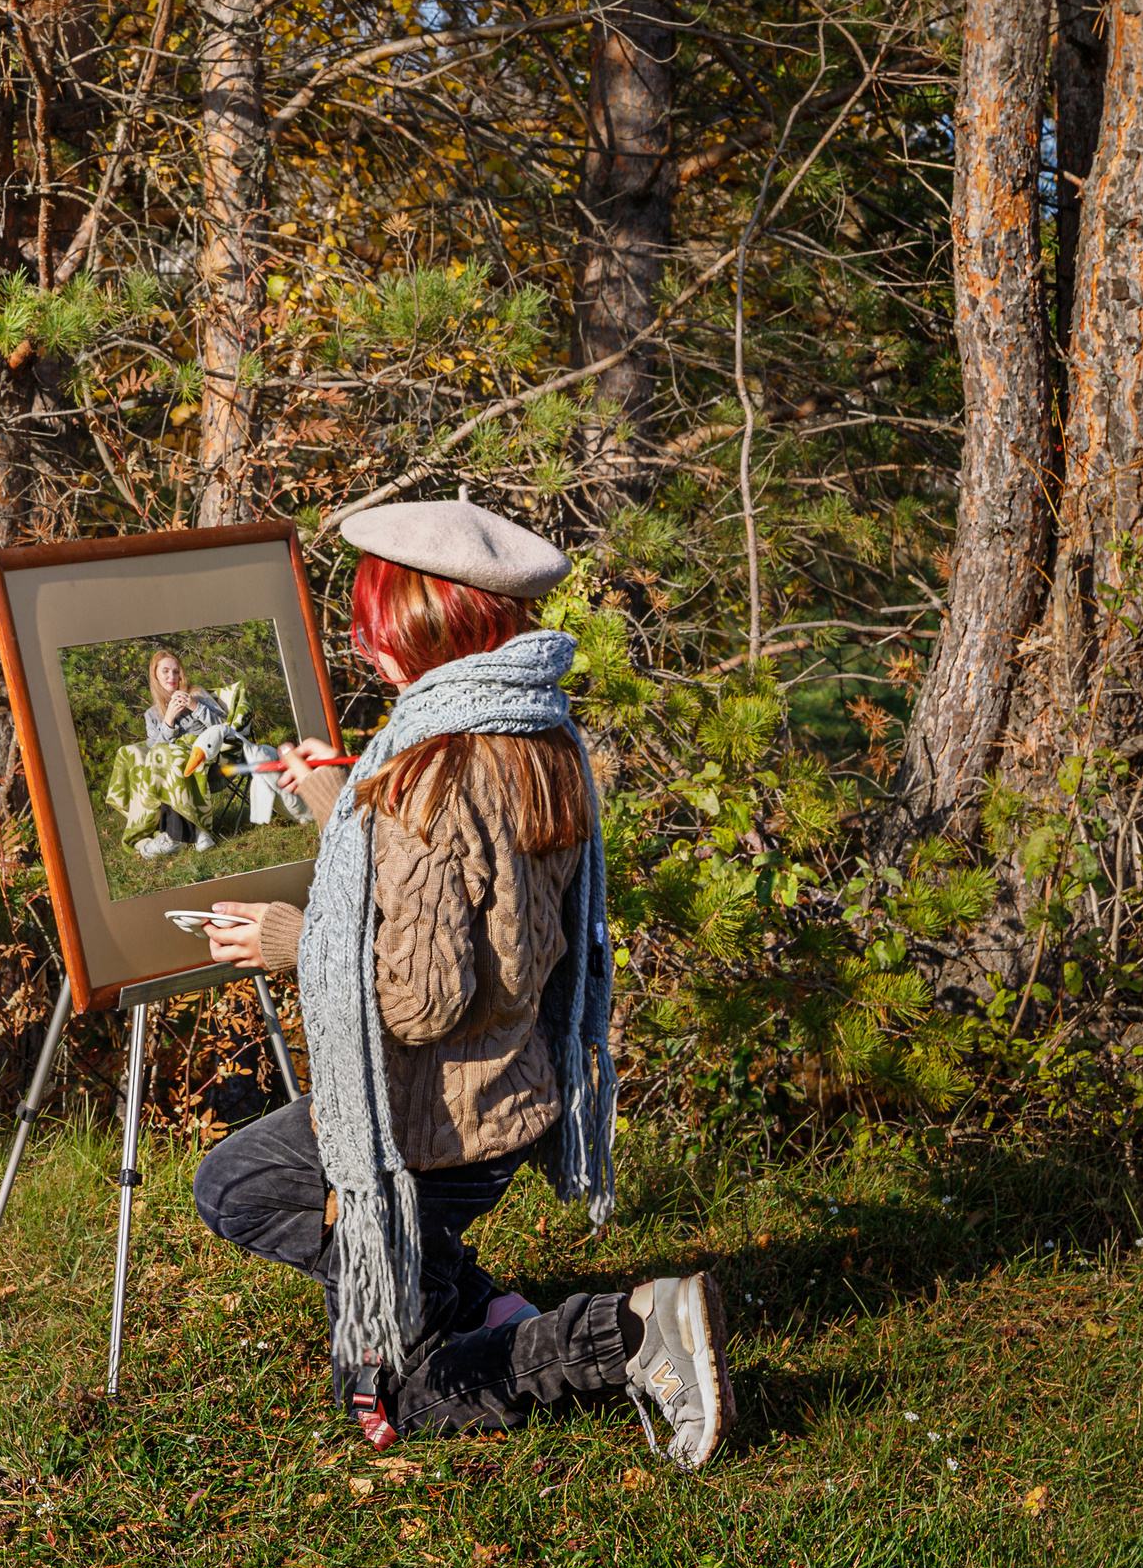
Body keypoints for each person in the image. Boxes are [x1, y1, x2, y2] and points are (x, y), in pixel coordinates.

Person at [192, 499, 735, 1471]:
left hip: (433, 1125)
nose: (364, 647)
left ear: (418, 621)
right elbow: (461, 873)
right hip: (508, 1098)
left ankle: (631, 1333)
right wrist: (341, 798)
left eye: (372, 621)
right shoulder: (534, 736)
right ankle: (459, 1289)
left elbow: (419, 997)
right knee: (310, 1226)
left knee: (257, 1212)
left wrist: (293, 936)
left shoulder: (426, 773)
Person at [138, 649, 228, 859]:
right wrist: (168, 720)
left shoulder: (196, 693)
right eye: (166, 671)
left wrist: (195, 707)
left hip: (206, 760)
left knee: (176, 760)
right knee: (169, 760)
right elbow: (155, 755)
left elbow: (224, 726)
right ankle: (198, 831)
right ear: (156, 675)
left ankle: (175, 837)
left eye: (176, 671)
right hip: (174, 766)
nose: (172, 677)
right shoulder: (152, 715)